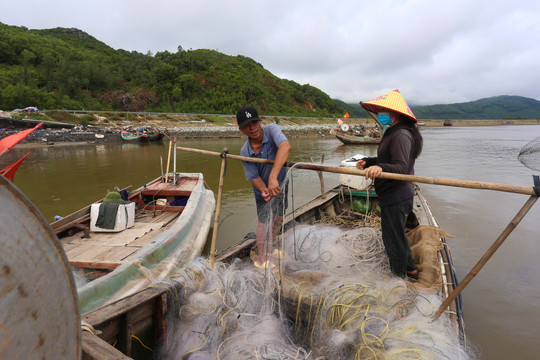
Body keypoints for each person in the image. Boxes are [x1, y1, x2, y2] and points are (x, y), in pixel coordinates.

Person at [356, 92, 423, 281]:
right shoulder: (394, 131)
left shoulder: (401, 134)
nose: (381, 114)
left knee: (393, 239)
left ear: (395, 113)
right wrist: (370, 161)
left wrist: (381, 167)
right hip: (391, 194)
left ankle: (398, 277)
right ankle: (410, 270)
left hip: (397, 194)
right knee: (395, 236)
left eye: (384, 110)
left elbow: (401, 167)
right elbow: (388, 159)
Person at [237, 106, 291, 267]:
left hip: (281, 184)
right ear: (241, 129)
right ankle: (262, 259)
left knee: (279, 218)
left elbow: (285, 147)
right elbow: (254, 177)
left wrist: (274, 177)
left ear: (260, 121)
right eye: (247, 125)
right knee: (263, 222)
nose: (252, 127)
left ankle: (271, 247)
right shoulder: (245, 151)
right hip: (263, 190)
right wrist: (264, 190)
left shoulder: (272, 129)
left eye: (254, 122)